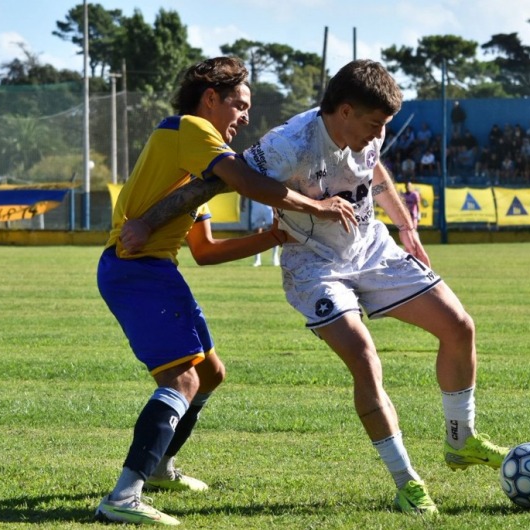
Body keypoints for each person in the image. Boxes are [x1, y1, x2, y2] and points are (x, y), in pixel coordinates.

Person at [123, 59, 508, 517]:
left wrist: (406, 227)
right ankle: (408, 483)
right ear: (343, 111)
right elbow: (216, 181)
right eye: (373, 123)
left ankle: (461, 441)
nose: (378, 132)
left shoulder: (373, 132)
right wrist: (146, 222)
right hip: (314, 266)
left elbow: (375, 169)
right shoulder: (290, 143)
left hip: (372, 250)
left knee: (460, 326)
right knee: (365, 358)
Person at [95, 56, 355, 526]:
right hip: (137, 270)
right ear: (210, 98)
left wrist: (272, 237)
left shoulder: (195, 166)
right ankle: (123, 495)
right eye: (239, 104)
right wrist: (316, 206)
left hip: (155, 269)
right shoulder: (190, 128)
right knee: (184, 381)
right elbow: (246, 180)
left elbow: (205, 251)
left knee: (209, 374)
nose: (245, 117)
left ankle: (158, 470)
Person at [249, 200, 280, 267]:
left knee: (273, 231)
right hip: (255, 203)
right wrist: (242, 202)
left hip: (268, 204)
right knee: (257, 233)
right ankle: (257, 259)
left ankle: (274, 257)